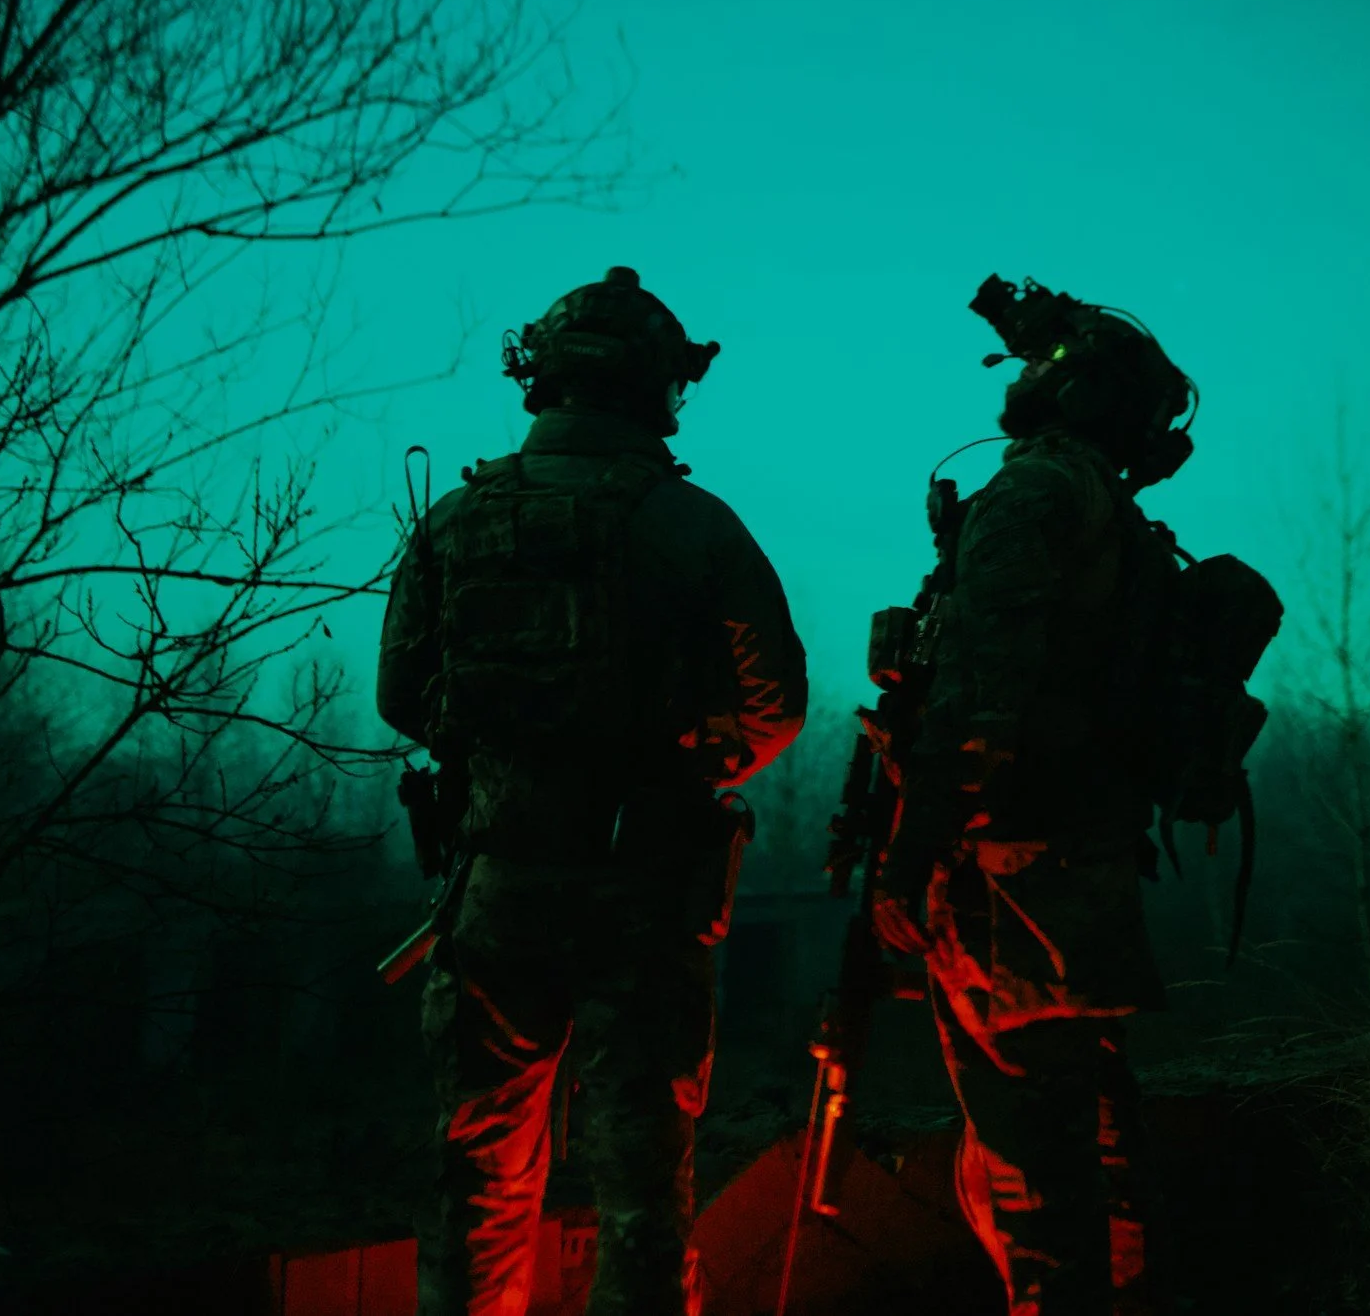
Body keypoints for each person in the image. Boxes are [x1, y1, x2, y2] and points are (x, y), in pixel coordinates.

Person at [377, 266, 807, 1316]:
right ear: (656, 386)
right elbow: (776, 704)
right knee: (639, 1187)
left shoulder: (451, 520)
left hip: (493, 894)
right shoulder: (693, 523)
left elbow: (401, 694)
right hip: (641, 896)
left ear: (544, 377)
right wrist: (678, 767)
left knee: (474, 1168)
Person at [869, 278, 1205, 1316]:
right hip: (1076, 858)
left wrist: (910, 853)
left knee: (1027, 1154)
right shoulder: (1109, 507)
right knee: (1088, 1119)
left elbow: (980, 700)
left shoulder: (1035, 495)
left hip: (1009, 869)